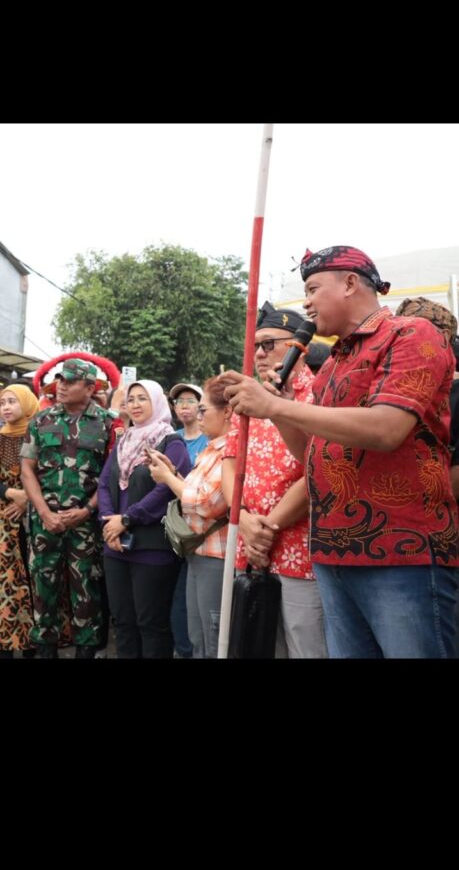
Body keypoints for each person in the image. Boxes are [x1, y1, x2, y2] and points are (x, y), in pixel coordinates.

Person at [222, 245, 459, 659]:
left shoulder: (411, 334)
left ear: (350, 283)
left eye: (313, 288)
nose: (307, 302)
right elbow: (310, 455)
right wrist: (275, 409)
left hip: (401, 553)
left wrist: (275, 405)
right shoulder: (332, 364)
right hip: (332, 554)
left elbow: (387, 428)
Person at [221, 302, 327, 658]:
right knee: (259, 645)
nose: (260, 354)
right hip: (250, 545)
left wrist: (267, 529)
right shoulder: (248, 396)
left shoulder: (323, 394)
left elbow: (319, 470)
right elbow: (230, 466)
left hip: (301, 548)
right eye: (255, 346)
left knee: (306, 647)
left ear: (301, 347)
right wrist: (246, 521)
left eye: (270, 344)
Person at [20, 358, 114, 659]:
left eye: (70, 381)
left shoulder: (108, 423)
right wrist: (44, 513)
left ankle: (86, 650)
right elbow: (27, 471)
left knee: (87, 593)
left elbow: (111, 475)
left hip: (85, 524)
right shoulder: (40, 420)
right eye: (60, 380)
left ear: (90, 388)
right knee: (43, 591)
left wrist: (86, 511)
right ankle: (46, 650)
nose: (61, 385)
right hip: (44, 523)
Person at [97, 380, 190, 658]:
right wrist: (108, 522)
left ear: (157, 402)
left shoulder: (170, 442)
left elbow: (166, 490)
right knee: (123, 623)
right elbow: (103, 483)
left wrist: (126, 519)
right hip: (116, 545)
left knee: (152, 625)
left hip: (152, 547)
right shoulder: (124, 440)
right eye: (131, 399)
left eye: (142, 398)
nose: (135, 405)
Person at [148, 376, 232, 658]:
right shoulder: (212, 448)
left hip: (216, 557)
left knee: (212, 636)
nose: (197, 414)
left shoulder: (230, 450)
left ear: (227, 412)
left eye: (203, 408)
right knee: (197, 635)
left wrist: (168, 480)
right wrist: (172, 474)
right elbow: (196, 491)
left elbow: (207, 502)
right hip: (200, 551)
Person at [168, 382, 208, 658]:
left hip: (200, 532)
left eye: (190, 401)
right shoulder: (171, 437)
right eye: (178, 401)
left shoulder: (211, 439)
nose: (183, 406)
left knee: (190, 607)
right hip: (172, 528)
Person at [0, 384, 39, 658]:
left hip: (35, 517)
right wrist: (11, 494)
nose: (6, 407)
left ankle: (31, 644)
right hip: (3, 521)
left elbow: (49, 473)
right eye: (2, 402)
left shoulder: (38, 435)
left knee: (34, 579)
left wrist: (27, 499)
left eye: (12, 401)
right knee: (7, 584)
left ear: (26, 404)